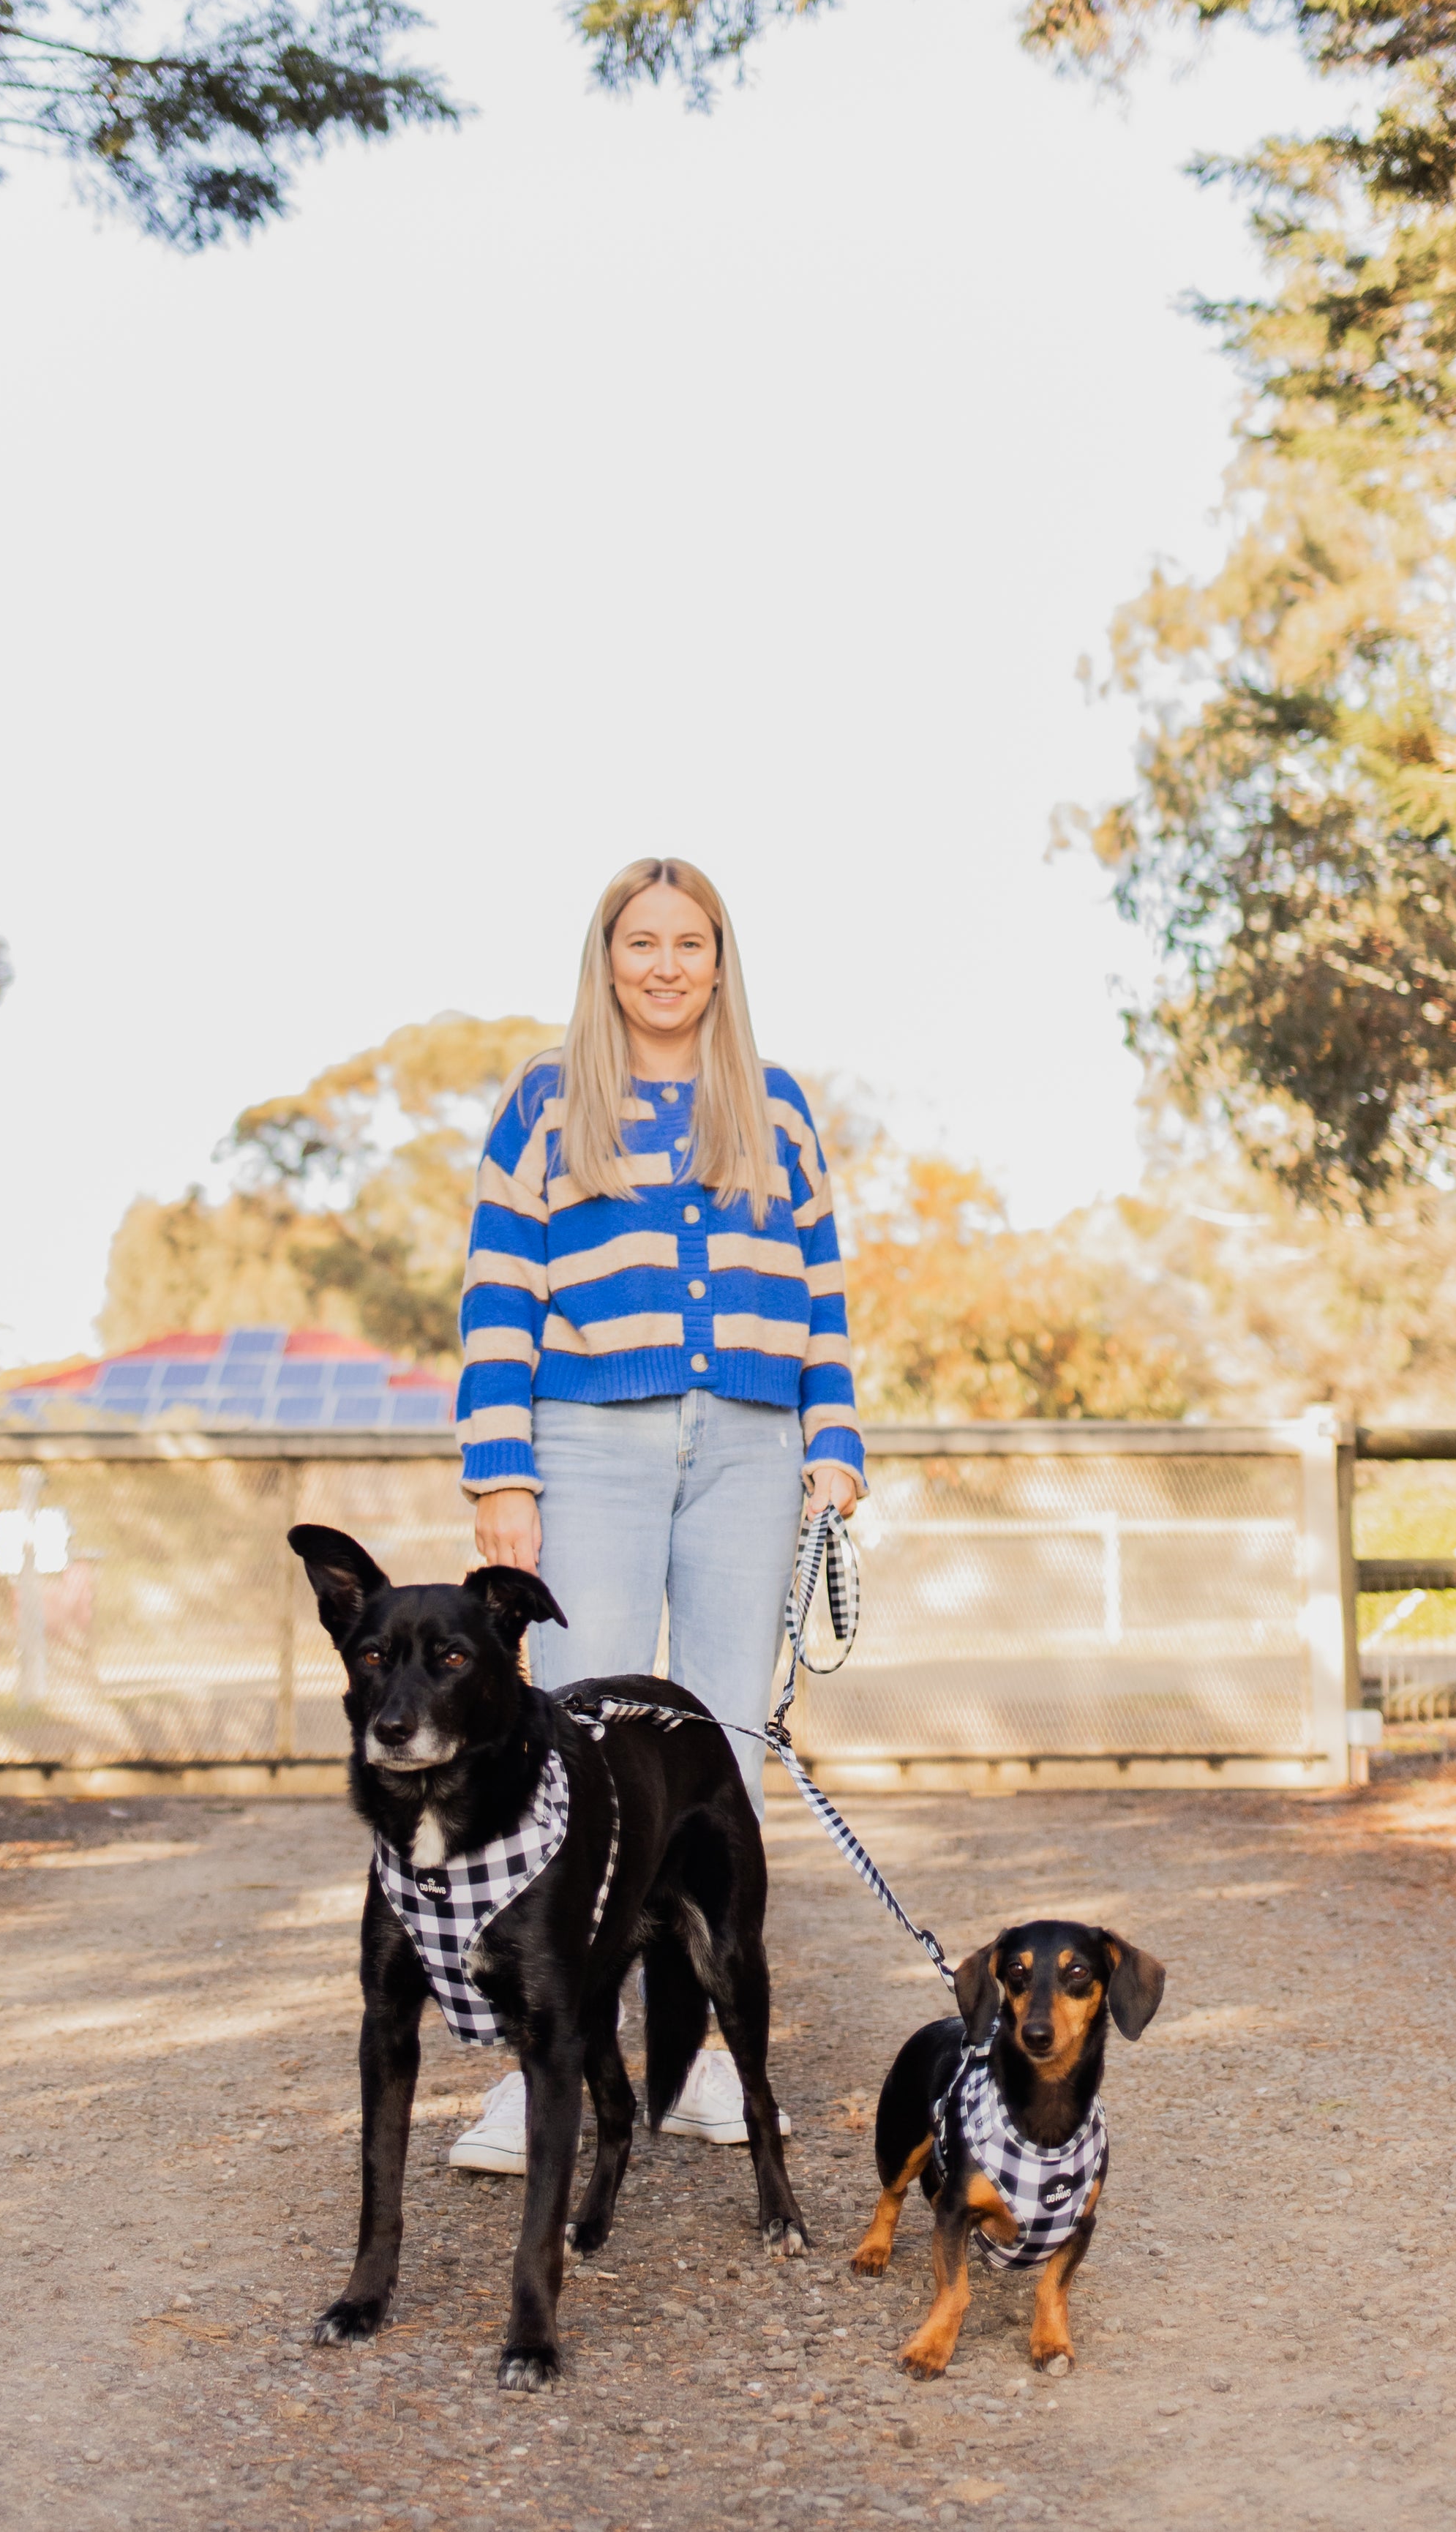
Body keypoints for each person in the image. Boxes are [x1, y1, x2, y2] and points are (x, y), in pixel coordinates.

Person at [446, 854, 865, 2173]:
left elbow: (825, 1286)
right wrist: (500, 1468)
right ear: (607, 956)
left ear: (721, 962)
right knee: (572, 1760)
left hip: (751, 1451)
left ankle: (699, 2071)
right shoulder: (546, 1101)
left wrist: (835, 1439)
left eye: (694, 942)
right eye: (644, 941)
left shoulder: (777, 1107)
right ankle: (545, 2073)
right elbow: (499, 1289)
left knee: (722, 1769)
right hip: (590, 1450)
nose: (669, 964)